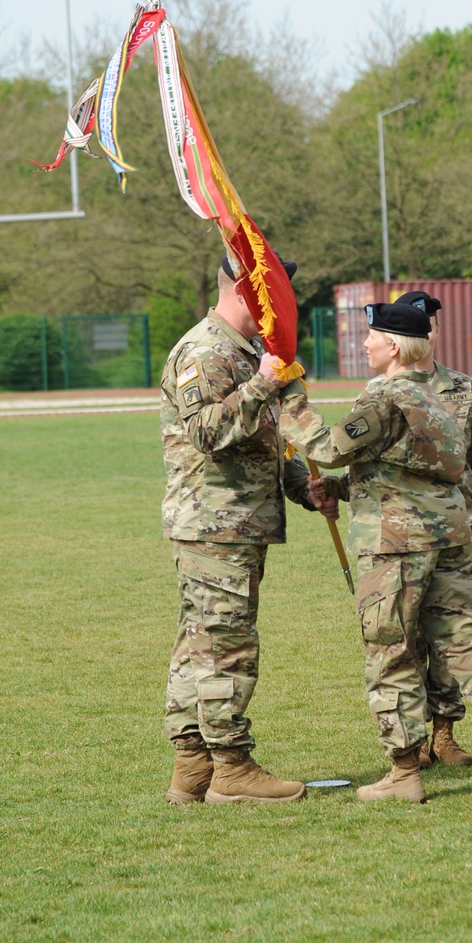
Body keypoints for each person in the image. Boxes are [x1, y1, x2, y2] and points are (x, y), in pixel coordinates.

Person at [264, 300, 472, 803]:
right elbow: (406, 470)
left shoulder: (386, 398)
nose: (365, 343)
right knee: (464, 643)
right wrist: (341, 488)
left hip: (395, 546)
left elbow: (328, 447)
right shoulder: (437, 397)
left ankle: (403, 772)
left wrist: (291, 398)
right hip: (451, 538)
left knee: (389, 652)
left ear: (393, 346)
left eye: (371, 336)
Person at [160, 254, 342, 805]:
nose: (281, 303)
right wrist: (263, 384)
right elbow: (209, 434)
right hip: (215, 525)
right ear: (248, 289)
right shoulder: (206, 351)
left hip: (236, 521)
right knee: (225, 647)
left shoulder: (251, 352)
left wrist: (298, 484)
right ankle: (232, 768)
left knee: (200, 645)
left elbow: (259, 441)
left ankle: (193, 768)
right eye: (275, 290)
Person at [392, 289, 472, 772]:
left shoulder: (462, 388)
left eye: (430, 323)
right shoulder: (386, 390)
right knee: (404, 639)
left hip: (459, 533)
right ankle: (410, 740)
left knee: (453, 639)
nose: (427, 331)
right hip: (402, 535)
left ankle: (445, 733)